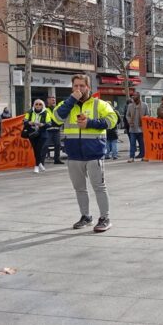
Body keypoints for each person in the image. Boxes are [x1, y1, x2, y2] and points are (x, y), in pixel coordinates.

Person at [52, 74, 118, 232]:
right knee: (79, 188)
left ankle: (105, 218)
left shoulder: (99, 104)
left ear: (88, 87)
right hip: (74, 154)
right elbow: (56, 118)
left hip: (94, 153)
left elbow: (113, 120)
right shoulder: (67, 104)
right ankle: (86, 216)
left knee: (99, 187)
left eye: (82, 86)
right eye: (75, 86)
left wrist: (91, 123)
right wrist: (71, 100)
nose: (78, 89)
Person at [24, 99, 51, 174]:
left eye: (40, 104)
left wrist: (43, 124)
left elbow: (49, 123)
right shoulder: (30, 112)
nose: (38, 106)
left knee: (38, 149)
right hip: (32, 134)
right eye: (36, 104)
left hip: (42, 134)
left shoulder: (46, 113)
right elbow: (24, 121)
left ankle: (36, 166)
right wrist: (29, 123)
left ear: (43, 105)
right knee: (35, 150)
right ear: (34, 105)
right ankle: (40, 164)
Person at [125, 92, 149, 162]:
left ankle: (144, 156)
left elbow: (148, 114)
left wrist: (144, 118)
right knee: (132, 144)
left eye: (135, 96)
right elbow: (127, 115)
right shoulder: (130, 106)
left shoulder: (145, 105)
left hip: (141, 129)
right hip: (132, 128)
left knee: (142, 144)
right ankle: (131, 157)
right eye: (133, 96)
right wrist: (130, 121)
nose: (133, 97)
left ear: (138, 97)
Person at [45, 96, 64, 164]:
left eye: (54, 100)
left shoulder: (57, 109)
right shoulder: (45, 110)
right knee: (45, 145)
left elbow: (61, 117)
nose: (54, 101)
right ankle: (41, 160)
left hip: (56, 130)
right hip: (48, 130)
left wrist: (59, 123)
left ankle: (57, 160)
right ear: (48, 101)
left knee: (58, 145)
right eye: (52, 100)